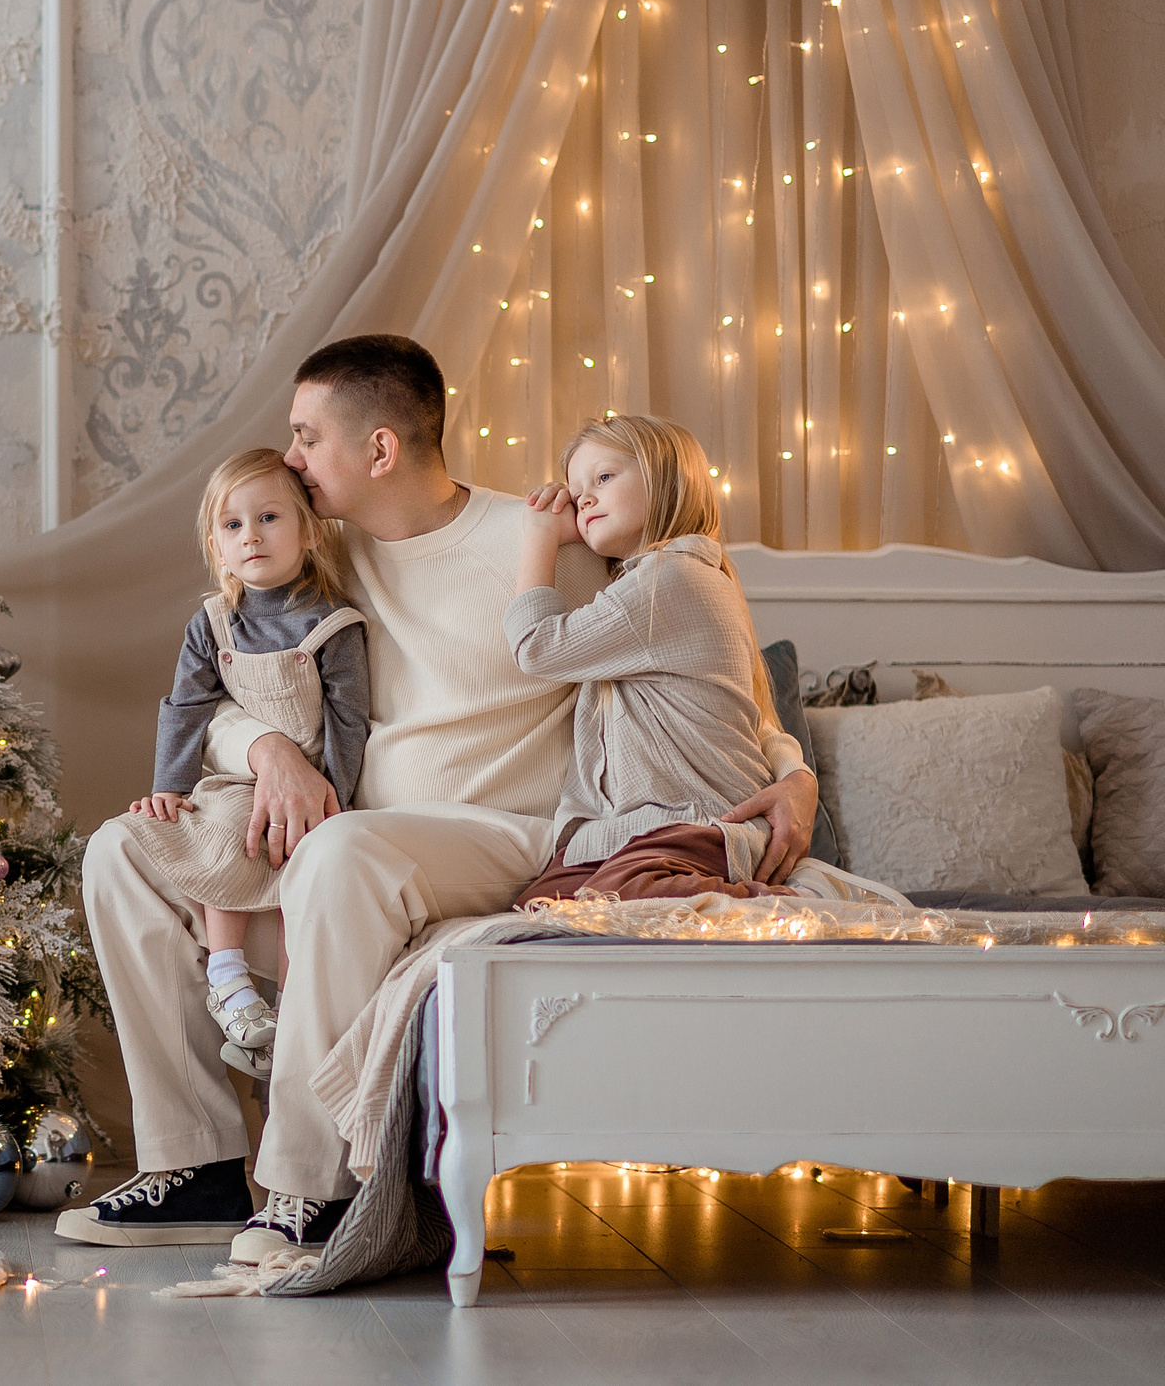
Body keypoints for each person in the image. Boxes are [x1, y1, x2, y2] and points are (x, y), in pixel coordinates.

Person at [58, 336, 821, 1263]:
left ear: (379, 450)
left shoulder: (542, 544)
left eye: (307, 437)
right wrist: (267, 752)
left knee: (341, 854)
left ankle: (310, 1186)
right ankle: (196, 1165)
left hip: (507, 842)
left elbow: (709, 669)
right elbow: (221, 684)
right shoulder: (311, 555)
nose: (291, 460)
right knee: (122, 852)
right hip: (358, 867)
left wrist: (792, 770)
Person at [506, 416, 903, 906]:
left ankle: (786, 906)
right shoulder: (659, 583)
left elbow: (536, 646)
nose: (584, 498)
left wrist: (539, 536)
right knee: (541, 903)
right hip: (640, 833)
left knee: (620, 896)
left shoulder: (668, 580)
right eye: (575, 489)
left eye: (604, 478)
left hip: (698, 823)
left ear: (667, 481)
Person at [119, 449, 369, 1079]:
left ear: (309, 532)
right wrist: (169, 787)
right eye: (232, 526)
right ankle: (229, 982)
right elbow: (188, 705)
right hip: (237, 777)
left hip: (310, 777)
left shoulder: (333, 625)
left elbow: (348, 722)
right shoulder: (212, 624)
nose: (250, 535)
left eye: (268, 518)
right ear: (216, 544)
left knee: (304, 871)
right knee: (225, 826)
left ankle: (289, 1014)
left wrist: (333, 799)